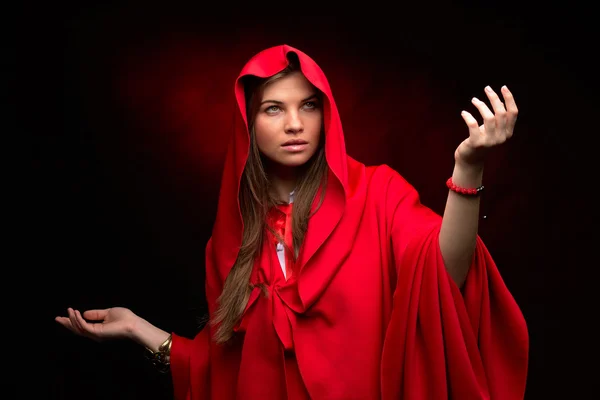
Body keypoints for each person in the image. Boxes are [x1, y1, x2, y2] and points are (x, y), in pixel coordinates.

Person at [56, 44, 529, 399]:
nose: (295, 124)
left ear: (326, 114)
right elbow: (224, 373)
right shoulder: (233, 238)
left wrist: (468, 168)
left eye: (308, 105)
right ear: (248, 123)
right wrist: (140, 329)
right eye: (273, 108)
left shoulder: (377, 193)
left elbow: (447, 273)